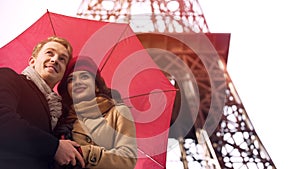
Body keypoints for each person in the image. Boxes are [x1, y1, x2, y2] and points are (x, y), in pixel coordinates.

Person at [0, 36, 85, 169]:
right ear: (32, 61)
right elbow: (3, 120)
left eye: (62, 59)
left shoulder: (61, 110)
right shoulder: (9, 78)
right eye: (49, 53)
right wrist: (54, 147)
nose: (55, 59)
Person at [55, 56, 137, 169]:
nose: (77, 82)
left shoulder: (117, 112)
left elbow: (128, 159)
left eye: (84, 77)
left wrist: (85, 152)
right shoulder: (61, 118)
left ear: (97, 86)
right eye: (71, 80)